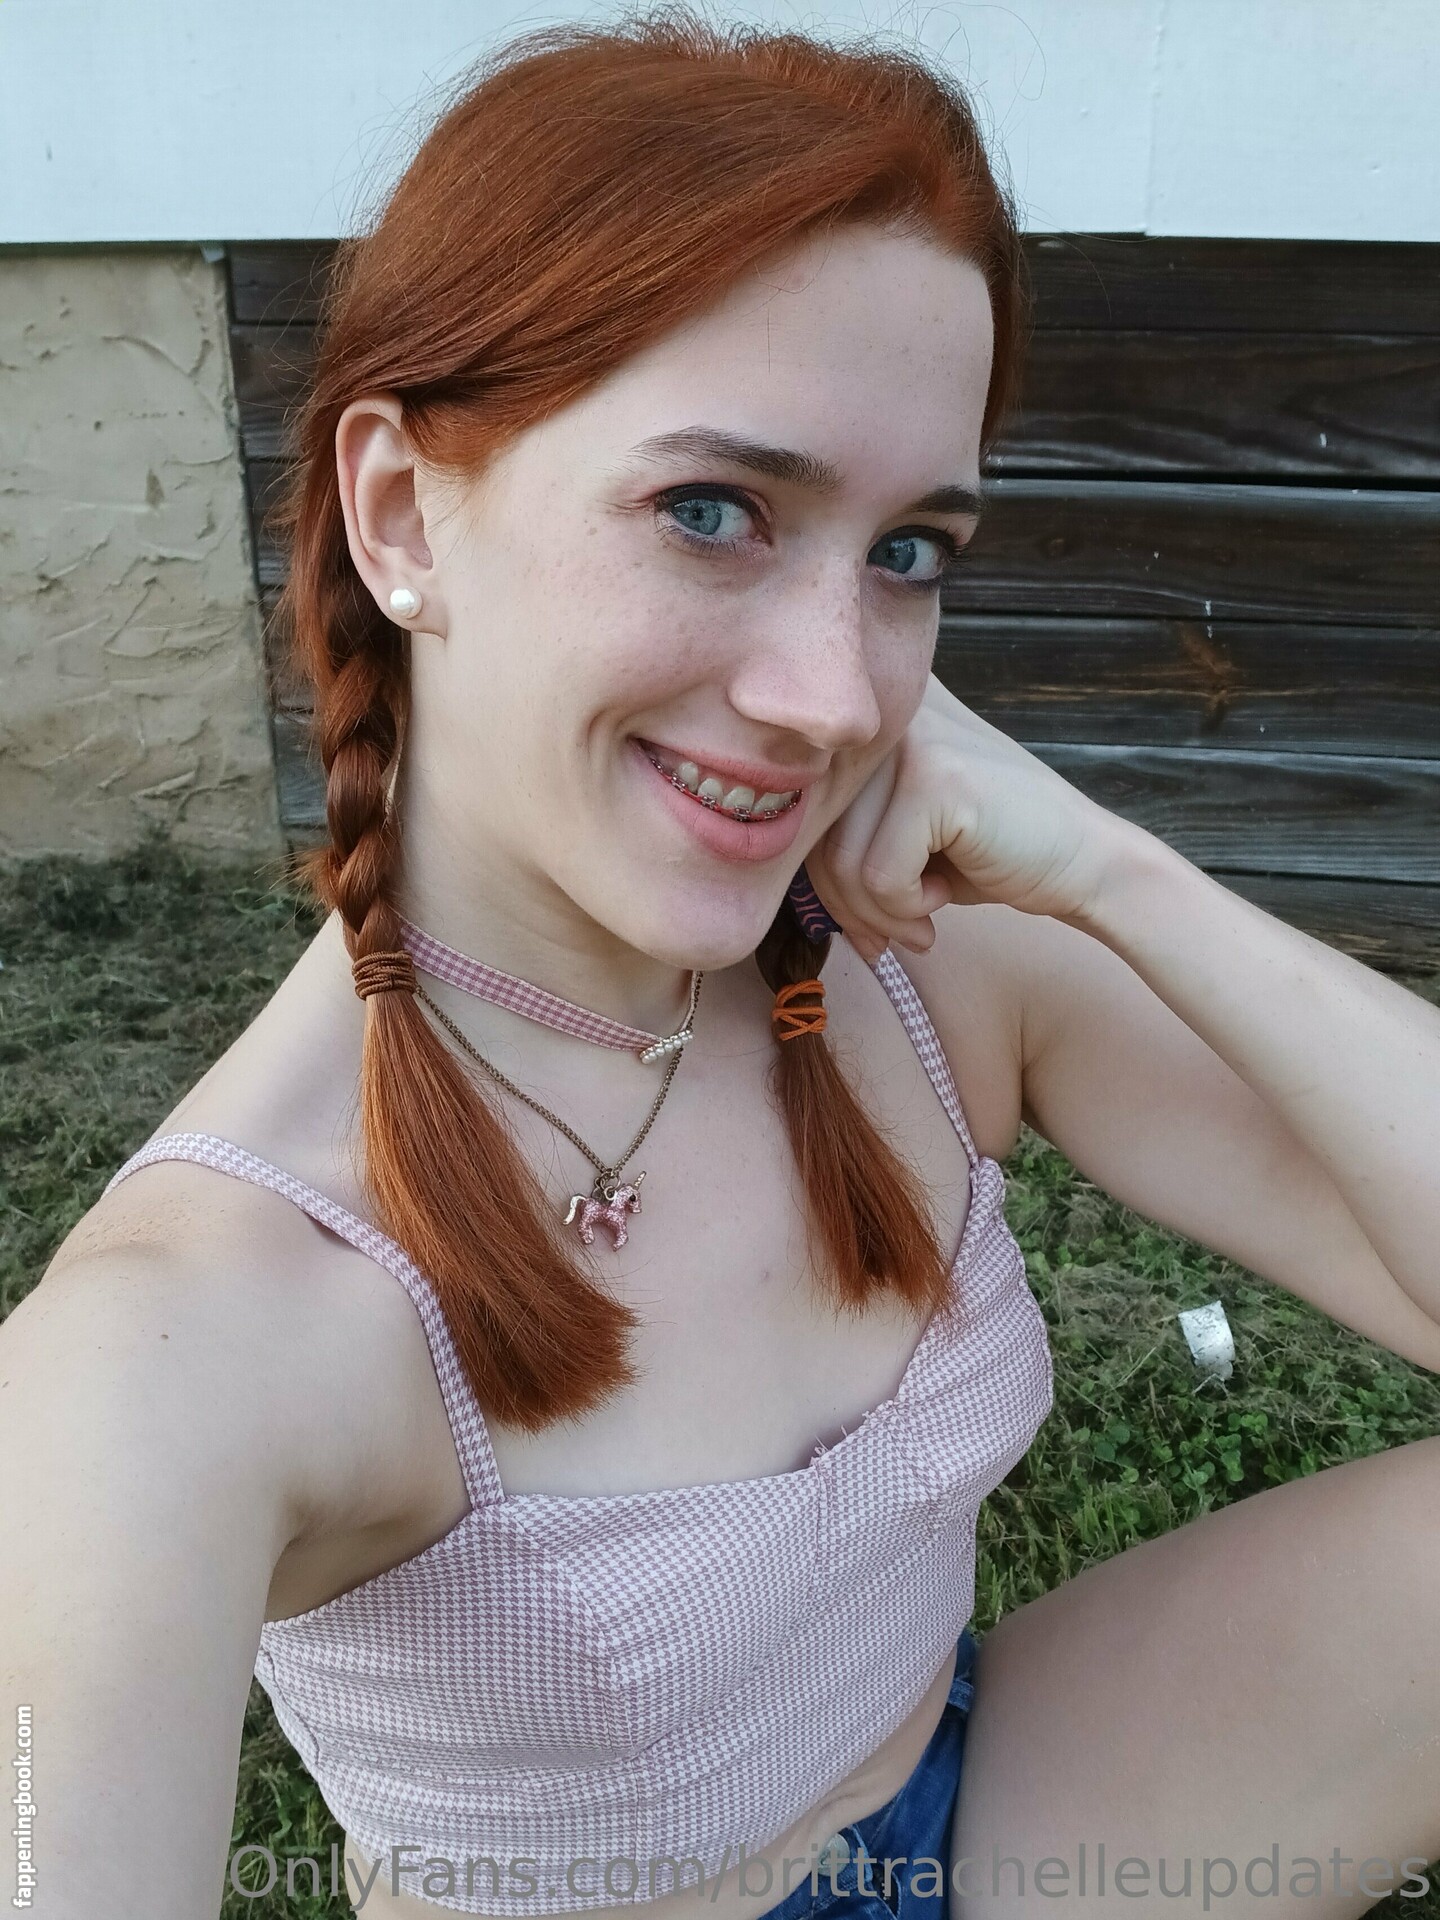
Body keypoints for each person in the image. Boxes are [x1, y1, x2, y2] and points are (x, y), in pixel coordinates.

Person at [4, 9, 1440, 1918]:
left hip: (990, 1802)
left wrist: (1120, 873)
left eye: (908, 551)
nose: (834, 696)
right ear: (404, 514)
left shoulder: (922, 963)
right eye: (712, 512)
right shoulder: (186, 1340)